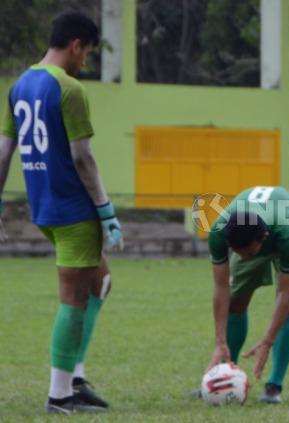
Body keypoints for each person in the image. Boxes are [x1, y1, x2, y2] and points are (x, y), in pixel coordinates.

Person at [0, 11, 123, 414]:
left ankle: (74, 379)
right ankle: (59, 395)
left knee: (99, 283)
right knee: (73, 300)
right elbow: (82, 156)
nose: (84, 60)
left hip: (44, 208)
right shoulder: (68, 89)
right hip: (74, 210)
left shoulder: (19, 86)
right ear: (74, 45)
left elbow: (4, 151)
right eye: (86, 53)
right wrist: (105, 209)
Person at [204, 186, 289, 404]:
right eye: (238, 253)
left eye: (249, 253)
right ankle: (224, 373)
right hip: (255, 229)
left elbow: (285, 292)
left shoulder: (285, 234)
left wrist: (267, 341)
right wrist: (219, 341)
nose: (244, 257)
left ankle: (274, 386)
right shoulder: (218, 232)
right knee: (235, 301)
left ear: (263, 238)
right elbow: (221, 287)